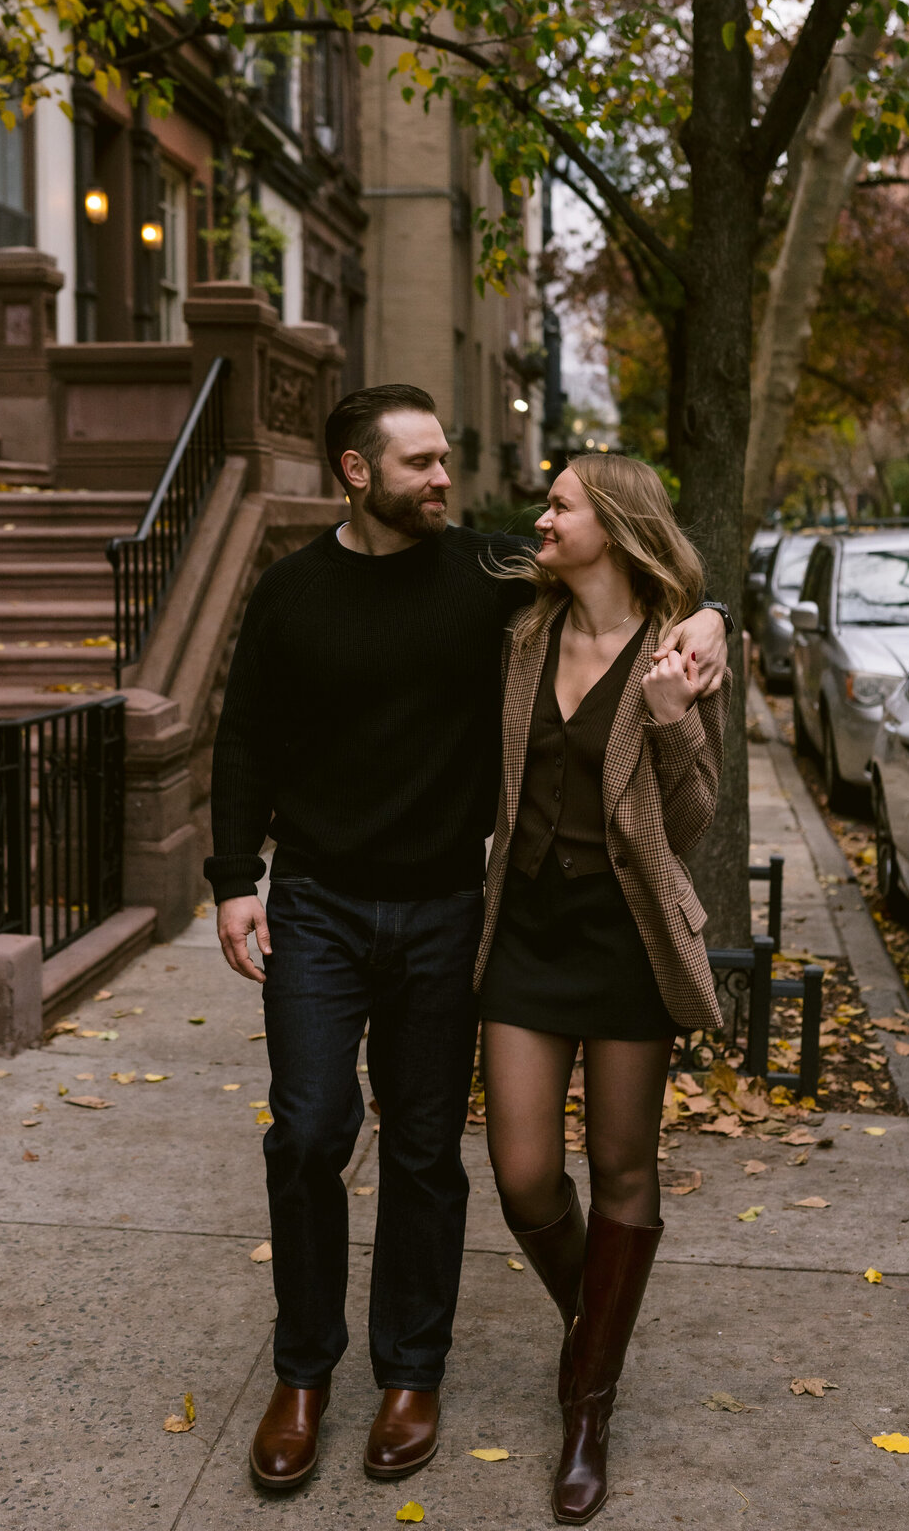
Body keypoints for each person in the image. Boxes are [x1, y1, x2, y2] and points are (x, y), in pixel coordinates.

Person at [206, 384, 731, 1494]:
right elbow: (246, 733)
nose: (448, 480)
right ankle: (303, 1373)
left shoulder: (490, 575)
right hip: (320, 901)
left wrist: (710, 616)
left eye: (448, 459)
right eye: (423, 464)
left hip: (451, 908)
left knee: (425, 1148)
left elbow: (640, 578)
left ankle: (417, 1373)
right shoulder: (296, 593)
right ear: (359, 472)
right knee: (307, 1131)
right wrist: (230, 879)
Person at [476, 452, 730, 1525]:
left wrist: (675, 713)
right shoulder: (524, 634)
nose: (543, 515)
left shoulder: (675, 651)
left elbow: (695, 818)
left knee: (623, 1166)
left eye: (561, 504)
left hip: (625, 939)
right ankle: (597, 1326)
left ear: (615, 526)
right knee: (524, 1171)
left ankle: (589, 1406)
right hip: (526, 933)